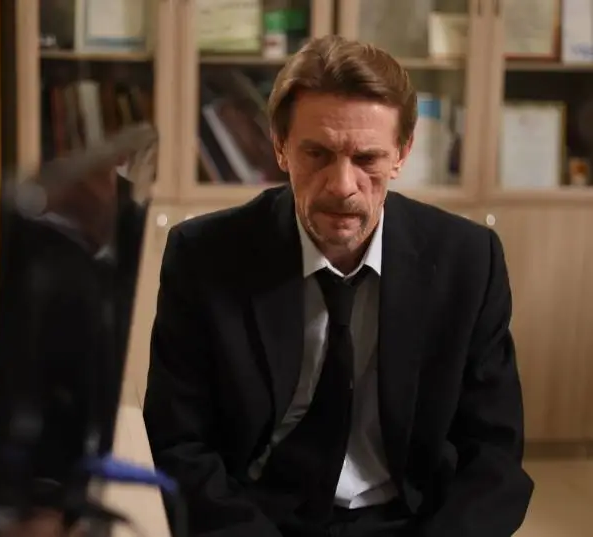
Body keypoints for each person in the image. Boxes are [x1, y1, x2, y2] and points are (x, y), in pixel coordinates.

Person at [143, 36, 533, 537]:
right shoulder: (203, 255)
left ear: (402, 153)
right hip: (257, 515)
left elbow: (494, 455)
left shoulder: (468, 260)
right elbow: (179, 445)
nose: (342, 186)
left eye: (367, 158)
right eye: (317, 153)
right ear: (280, 147)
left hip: (412, 519)